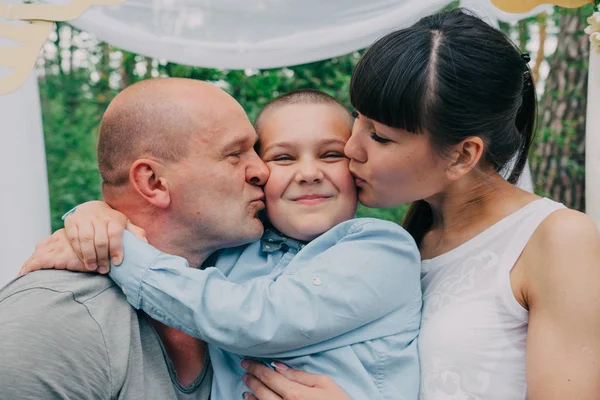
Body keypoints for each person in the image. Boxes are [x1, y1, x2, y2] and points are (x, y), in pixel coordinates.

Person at [237, 8, 600, 400]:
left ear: (463, 156)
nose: (350, 147)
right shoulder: (394, 240)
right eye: (358, 118)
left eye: (379, 136)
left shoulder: (557, 239)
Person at [23, 90, 423, 400]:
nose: (308, 173)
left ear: (355, 163)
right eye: (282, 158)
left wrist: (119, 251)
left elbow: (258, 320)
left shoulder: (381, 248)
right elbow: (172, 224)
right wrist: (95, 219)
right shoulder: (233, 250)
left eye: (331, 154)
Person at [0, 77, 270, 399]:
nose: (262, 170)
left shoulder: (254, 285)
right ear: (153, 182)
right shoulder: (55, 322)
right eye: (235, 154)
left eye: (256, 150)